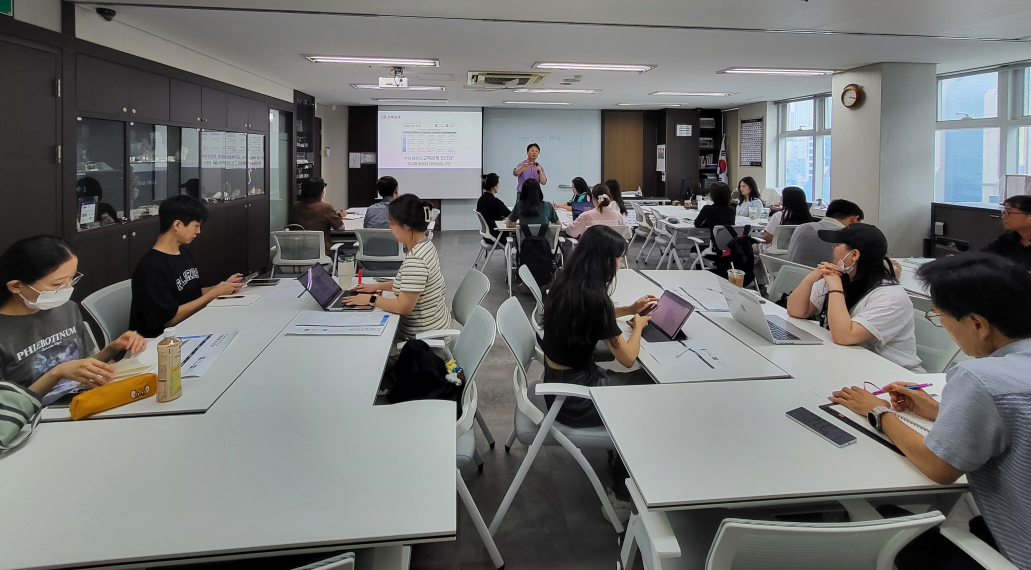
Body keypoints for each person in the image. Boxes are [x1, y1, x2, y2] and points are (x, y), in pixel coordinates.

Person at [830, 254, 1031, 570]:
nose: (944, 327)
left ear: (978, 324)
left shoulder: (981, 378)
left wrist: (879, 412)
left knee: (887, 517)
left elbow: (939, 468)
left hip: (1017, 553)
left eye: (941, 318)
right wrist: (942, 411)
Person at [541, 225, 658, 522]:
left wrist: (629, 309)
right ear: (605, 260)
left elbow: (595, 314)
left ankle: (618, 457)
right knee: (647, 404)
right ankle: (620, 496)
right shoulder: (595, 300)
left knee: (645, 383)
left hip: (560, 382)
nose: (620, 263)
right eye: (619, 257)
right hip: (574, 398)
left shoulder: (567, 283)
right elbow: (628, 358)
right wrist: (639, 326)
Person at [0, 236, 146, 405]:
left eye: (71, 279)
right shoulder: (5, 333)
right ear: (16, 286)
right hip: (36, 416)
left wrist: (113, 348)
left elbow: (84, 365)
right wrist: (57, 374)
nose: (68, 289)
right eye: (57, 284)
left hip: (84, 400)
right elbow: (8, 408)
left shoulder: (66, 308)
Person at [787, 223, 922, 371]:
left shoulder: (890, 297)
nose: (833, 248)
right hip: (848, 364)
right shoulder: (842, 277)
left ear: (854, 255)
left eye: (837, 244)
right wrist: (811, 278)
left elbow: (844, 336)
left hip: (892, 374)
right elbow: (796, 311)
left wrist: (835, 287)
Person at [129, 196, 244, 338]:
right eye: (196, 225)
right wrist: (214, 294)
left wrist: (223, 287)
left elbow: (193, 293)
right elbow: (169, 319)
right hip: (162, 341)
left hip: (191, 326)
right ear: (177, 225)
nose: (199, 231)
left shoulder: (183, 253)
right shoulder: (150, 268)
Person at [346, 194, 451, 343]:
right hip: (434, 326)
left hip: (423, 340)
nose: (389, 228)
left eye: (392, 223)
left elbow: (403, 307)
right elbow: (409, 284)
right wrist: (376, 287)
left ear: (407, 226)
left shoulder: (416, 260)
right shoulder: (425, 244)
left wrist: (370, 299)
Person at [785, 198, 864, 267]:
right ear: (854, 219)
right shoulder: (846, 237)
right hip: (826, 278)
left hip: (791, 276)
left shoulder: (801, 228)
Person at [288, 176, 344, 254]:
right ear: (320, 191)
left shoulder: (295, 206)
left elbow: (291, 227)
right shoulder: (326, 208)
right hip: (322, 253)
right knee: (344, 255)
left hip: (299, 253)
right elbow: (341, 228)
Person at [982, 195, 1031, 270]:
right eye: (1004, 212)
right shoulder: (1007, 239)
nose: (1003, 216)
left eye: (1009, 212)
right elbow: (981, 257)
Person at [476, 172, 510, 240]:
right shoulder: (495, 202)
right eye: (498, 183)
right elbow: (511, 215)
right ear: (494, 186)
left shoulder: (481, 199)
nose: (499, 185)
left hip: (487, 235)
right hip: (497, 235)